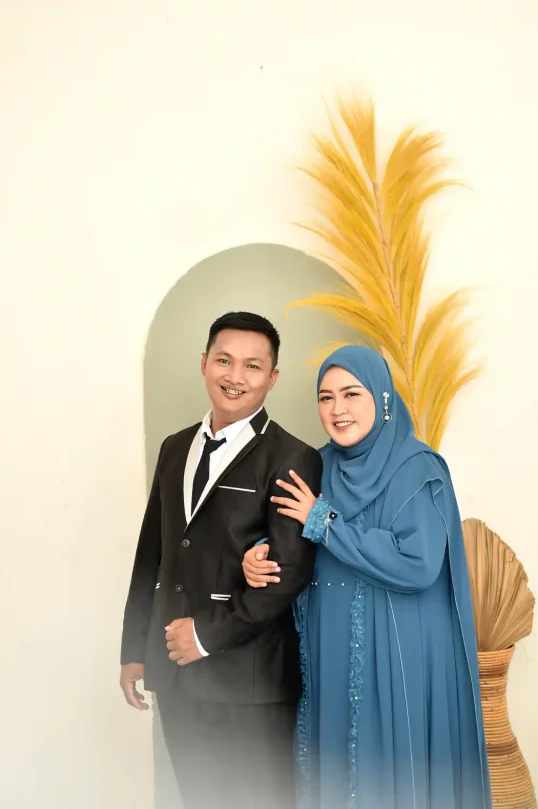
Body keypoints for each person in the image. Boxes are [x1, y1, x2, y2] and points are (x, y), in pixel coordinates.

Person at [243, 345, 491, 809]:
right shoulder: (315, 465)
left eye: (351, 394)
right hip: (329, 649)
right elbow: (288, 534)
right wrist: (257, 556)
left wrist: (325, 523)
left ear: (383, 398)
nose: (337, 409)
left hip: (397, 650)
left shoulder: (417, 468)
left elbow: (418, 564)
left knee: (390, 771)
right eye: (326, 397)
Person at [120, 311, 322, 809]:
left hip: (250, 683)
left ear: (272, 377)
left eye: (253, 366)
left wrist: (206, 637)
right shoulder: (174, 448)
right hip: (174, 672)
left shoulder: (292, 457)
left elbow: (288, 575)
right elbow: (151, 555)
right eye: (224, 360)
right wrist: (134, 647)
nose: (236, 376)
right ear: (204, 363)